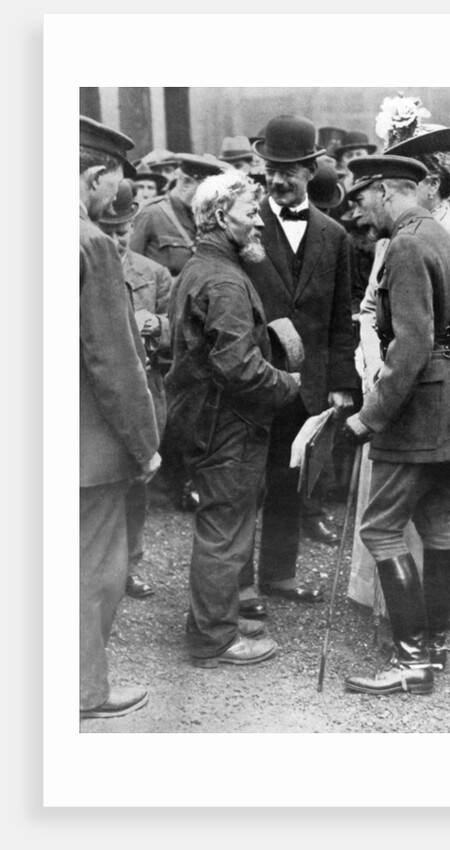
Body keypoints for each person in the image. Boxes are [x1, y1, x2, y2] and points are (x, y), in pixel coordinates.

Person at [343, 154, 450, 696]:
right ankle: (431, 645)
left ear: (387, 191)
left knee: (379, 529)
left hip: (422, 409)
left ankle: (411, 661)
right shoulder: (449, 235)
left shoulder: (406, 244)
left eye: (363, 199)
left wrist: (370, 416)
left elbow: (411, 344)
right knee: (437, 524)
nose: (361, 213)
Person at [165, 171, 301, 667]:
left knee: (224, 524)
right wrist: (290, 385)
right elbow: (238, 366)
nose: (259, 224)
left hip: (207, 417)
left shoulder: (204, 267)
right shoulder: (223, 279)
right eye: (250, 214)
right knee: (224, 529)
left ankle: (211, 618)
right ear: (222, 217)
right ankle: (214, 639)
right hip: (227, 424)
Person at [239, 114, 359, 613]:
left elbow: (339, 318)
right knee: (246, 482)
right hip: (251, 378)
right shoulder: (242, 226)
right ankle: (239, 581)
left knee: (290, 479)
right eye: (272, 167)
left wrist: (340, 385)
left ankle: (279, 574)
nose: (279, 178)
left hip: (306, 386)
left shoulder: (335, 236)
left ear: (312, 169)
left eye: (290, 168)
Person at [79, 116, 160, 719]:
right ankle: (83, 690)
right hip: (84, 448)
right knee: (93, 569)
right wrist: (145, 442)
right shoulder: (90, 242)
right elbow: (113, 357)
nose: (116, 197)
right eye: (114, 181)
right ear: (93, 174)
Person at [130, 152, 225, 510]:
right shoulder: (154, 214)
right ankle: (176, 480)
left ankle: (194, 477)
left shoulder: (205, 217)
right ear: (186, 182)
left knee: (203, 400)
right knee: (174, 400)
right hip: (164, 323)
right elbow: (131, 266)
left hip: (202, 321)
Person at [98, 179, 172, 600]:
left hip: (145, 391)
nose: (114, 240)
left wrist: (156, 326)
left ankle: (130, 563)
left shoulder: (154, 274)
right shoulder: (83, 259)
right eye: (106, 230)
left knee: (136, 485)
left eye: (121, 231)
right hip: (102, 394)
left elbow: (177, 331)